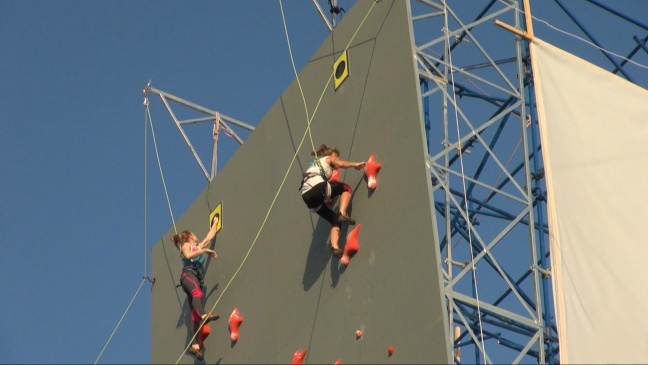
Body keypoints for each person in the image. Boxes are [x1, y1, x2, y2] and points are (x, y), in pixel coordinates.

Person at [300, 144, 366, 257]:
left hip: (307, 197)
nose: (338, 162)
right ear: (334, 155)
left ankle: (335, 247)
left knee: (335, 220)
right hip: (317, 187)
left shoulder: (315, 164)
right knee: (346, 189)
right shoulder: (329, 158)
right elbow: (338, 163)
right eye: (338, 157)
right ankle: (343, 213)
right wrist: (355, 164)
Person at [172, 218, 221, 361]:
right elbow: (188, 255)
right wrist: (205, 250)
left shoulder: (198, 246)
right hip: (188, 275)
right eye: (194, 234)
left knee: (194, 314)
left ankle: (195, 346)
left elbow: (210, 236)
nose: (197, 236)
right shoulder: (186, 245)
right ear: (191, 236)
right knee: (197, 293)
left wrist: (215, 223)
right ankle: (204, 315)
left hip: (194, 279)